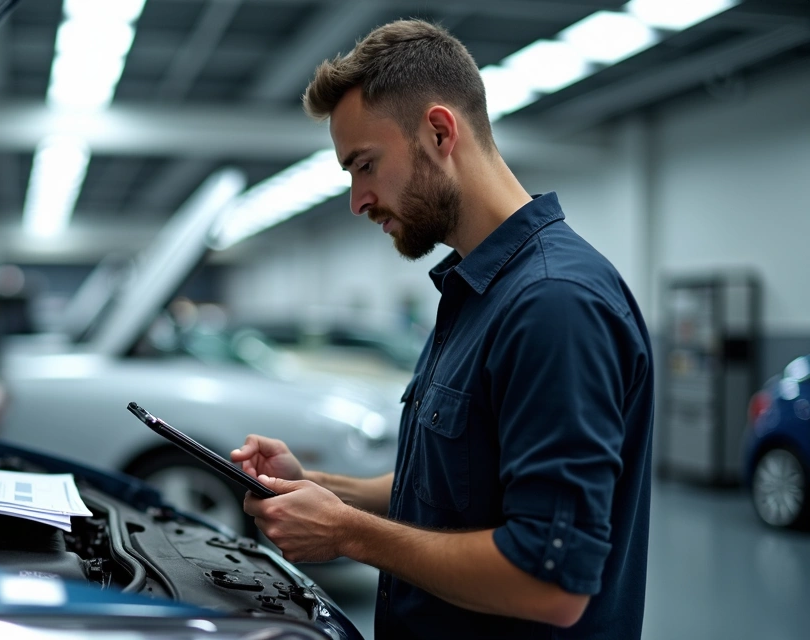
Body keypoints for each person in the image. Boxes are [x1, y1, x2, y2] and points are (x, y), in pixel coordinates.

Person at [231, 19, 653, 639]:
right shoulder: (473, 292)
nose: (357, 199)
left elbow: (552, 581)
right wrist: (316, 486)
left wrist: (347, 533)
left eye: (365, 165)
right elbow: (447, 488)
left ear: (438, 131)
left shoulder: (553, 304)